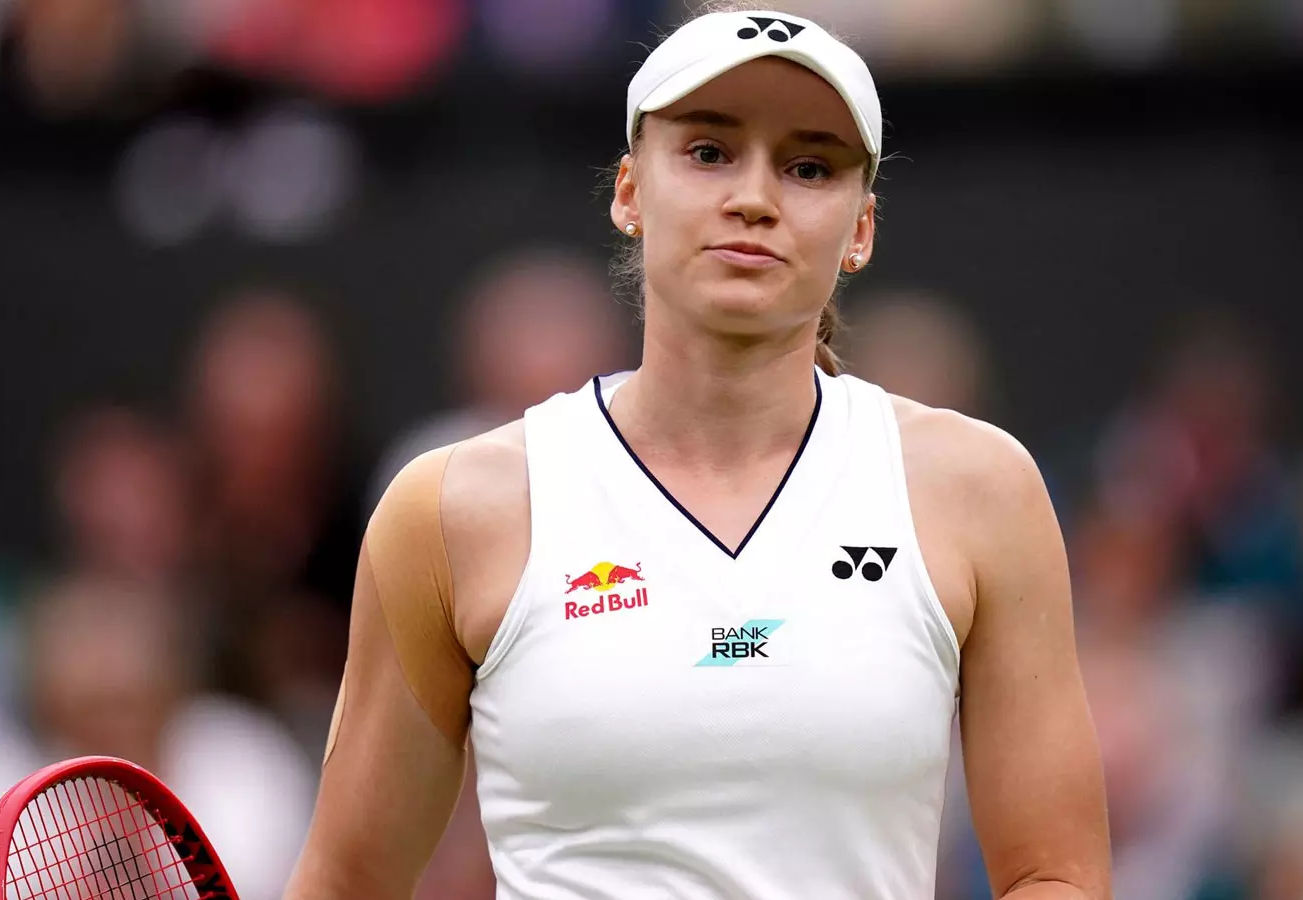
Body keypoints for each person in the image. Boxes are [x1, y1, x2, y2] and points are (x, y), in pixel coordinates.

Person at [286, 6, 1111, 899]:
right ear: (629, 192)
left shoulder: (981, 491)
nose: (754, 198)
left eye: (808, 167)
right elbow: (346, 883)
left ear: (861, 229)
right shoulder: (452, 512)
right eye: (710, 151)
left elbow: (1056, 876)